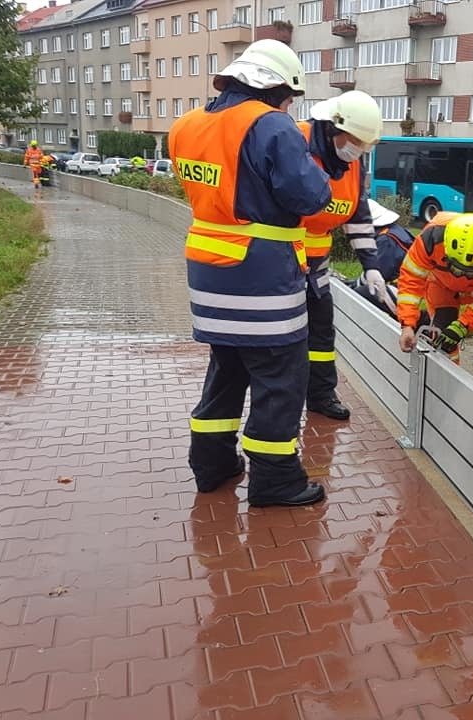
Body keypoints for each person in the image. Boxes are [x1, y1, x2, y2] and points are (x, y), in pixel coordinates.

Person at [168, 39, 333, 507]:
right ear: (278, 88)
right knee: (280, 381)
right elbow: (311, 198)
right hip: (262, 280)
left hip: (208, 276)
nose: (290, 107)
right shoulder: (271, 125)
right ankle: (275, 480)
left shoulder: (186, 126)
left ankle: (212, 465)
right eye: (291, 98)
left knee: (226, 371)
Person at [297, 90, 389, 421]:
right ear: (334, 127)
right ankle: (286, 405)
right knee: (288, 340)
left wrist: (372, 267)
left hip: (317, 266)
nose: (360, 151)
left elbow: (357, 216)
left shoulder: (350, 160)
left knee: (322, 333)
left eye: (366, 145)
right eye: (357, 142)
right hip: (282, 264)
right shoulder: (295, 143)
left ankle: (321, 395)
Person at [396, 212, 473, 393]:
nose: (463, 276)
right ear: (447, 252)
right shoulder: (430, 240)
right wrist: (407, 325)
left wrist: (464, 325)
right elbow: (411, 282)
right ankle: (445, 389)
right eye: (457, 269)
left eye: (470, 272)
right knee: (443, 335)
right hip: (442, 286)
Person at [346, 198, 415, 317]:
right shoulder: (393, 231)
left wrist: (352, 287)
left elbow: (378, 274)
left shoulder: (386, 240)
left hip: (408, 294)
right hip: (413, 289)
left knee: (361, 294)